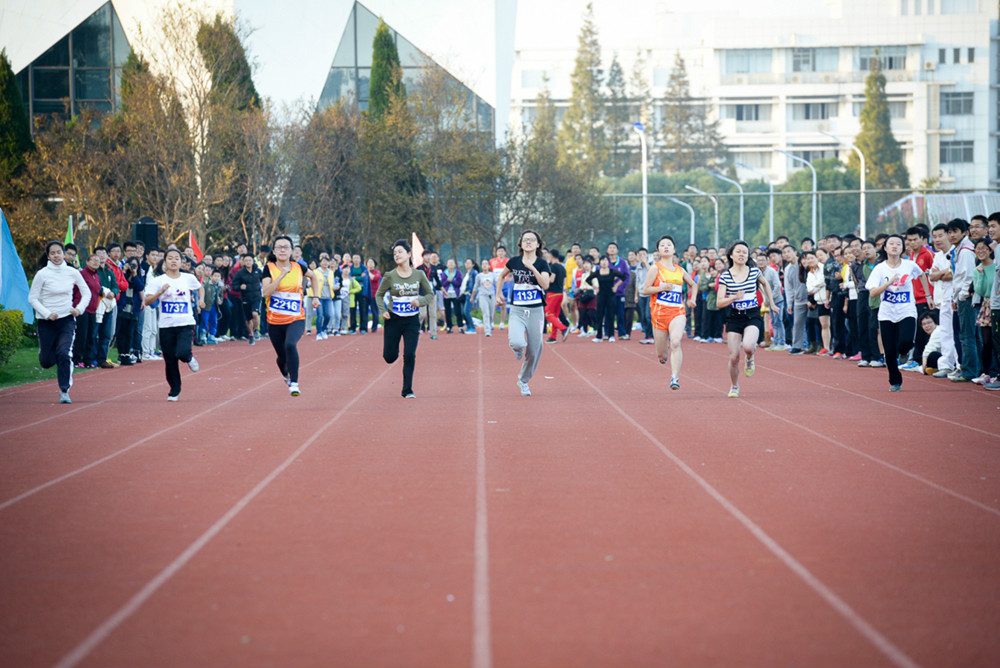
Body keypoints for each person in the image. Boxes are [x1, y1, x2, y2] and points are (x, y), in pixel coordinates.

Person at [865, 234, 934, 392]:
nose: (895, 246)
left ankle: (904, 351)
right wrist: (888, 283)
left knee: (906, 341)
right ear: (885, 248)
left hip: (906, 310)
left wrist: (928, 295)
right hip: (887, 313)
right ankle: (895, 381)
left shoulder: (909, 265)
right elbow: (873, 292)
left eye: (898, 244)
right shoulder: (880, 269)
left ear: (903, 248)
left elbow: (922, 275)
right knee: (889, 352)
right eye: (891, 244)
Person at [28, 241, 92, 404]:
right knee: (46, 361)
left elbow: (86, 293)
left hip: (66, 320)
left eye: (59, 252)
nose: (56, 256)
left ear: (64, 254)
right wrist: (47, 314)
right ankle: (47, 354)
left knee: (64, 353)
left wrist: (79, 309)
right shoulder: (42, 274)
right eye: (53, 253)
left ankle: (64, 390)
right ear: (48, 256)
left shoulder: (72, 272)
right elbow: (32, 298)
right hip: (46, 321)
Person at [261, 236, 321, 396]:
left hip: (296, 318)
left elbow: (314, 276)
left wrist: (316, 296)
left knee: (290, 345)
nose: (282, 250)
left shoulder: (299, 267)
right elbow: (266, 293)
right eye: (279, 247)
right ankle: (285, 373)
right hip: (274, 321)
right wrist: (280, 276)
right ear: (274, 251)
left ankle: (294, 383)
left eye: (286, 247)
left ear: (291, 251)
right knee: (281, 357)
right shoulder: (268, 269)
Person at [375, 239, 435, 398]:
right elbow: (379, 295)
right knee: (390, 357)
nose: (397, 255)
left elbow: (430, 294)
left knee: (409, 354)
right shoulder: (390, 276)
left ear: (409, 254)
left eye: (400, 252)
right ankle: (391, 354)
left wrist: (419, 302)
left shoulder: (419, 274)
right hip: (393, 320)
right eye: (394, 253)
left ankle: (407, 389)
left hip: (411, 321)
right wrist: (383, 311)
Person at [716, 241, 776, 398]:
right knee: (734, 356)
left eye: (745, 252)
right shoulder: (725, 276)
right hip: (734, 317)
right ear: (731, 255)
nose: (742, 254)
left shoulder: (754, 272)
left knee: (748, 347)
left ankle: (750, 358)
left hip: (752, 314)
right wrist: (734, 297)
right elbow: (719, 302)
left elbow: (766, 285)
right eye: (738, 252)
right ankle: (734, 386)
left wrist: (772, 303)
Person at [143, 249, 205, 401]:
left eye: (176, 258)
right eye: (170, 258)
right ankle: (174, 390)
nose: (173, 261)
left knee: (182, 353)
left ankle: (189, 358)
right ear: (165, 262)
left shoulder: (188, 277)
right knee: (170, 359)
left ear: (181, 262)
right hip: (166, 325)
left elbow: (200, 287)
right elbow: (147, 300)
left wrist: (200, 300)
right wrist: (160, 293)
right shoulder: (157, 281)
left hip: (185, 323)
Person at [496, 230, 550, 396]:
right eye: (525, 239)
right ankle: (518, 349)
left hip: (536, 311)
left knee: (534, 350)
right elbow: (501, 276)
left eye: (532, 240)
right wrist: (498, 293)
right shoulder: (514, 262)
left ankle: (523, 380)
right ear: (520, 244)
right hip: (518, 309)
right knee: (518, 342)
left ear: (538, 244)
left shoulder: (542, 264)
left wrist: (533, 269)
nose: (528, 242)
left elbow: (545, 284)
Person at [640, 235, 698, 390]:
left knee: (676, 342)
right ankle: (663, 356)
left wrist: (692, 299)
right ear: (658, 250)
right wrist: (661, 288)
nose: (666, 247)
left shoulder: (680, 270)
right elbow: (645, 290)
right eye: (662, 245)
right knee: (661, 355)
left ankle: (675, 378)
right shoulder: (655, 268)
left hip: (677, 312)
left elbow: (694, 285)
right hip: (659, 315)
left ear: (674, 249)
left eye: (669, 245)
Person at [582, 255, 627, 342]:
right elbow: (588, 279)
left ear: (608, 262)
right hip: (601, 295)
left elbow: (623, 277)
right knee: (599, 315)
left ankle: (611, 335)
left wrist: (616, 286)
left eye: (606, 260)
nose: (604, 262)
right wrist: (595, 287)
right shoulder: (597, 272)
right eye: (602, 260)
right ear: (600, 262)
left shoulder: (612, 271)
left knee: (611, 315)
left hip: (611, 296)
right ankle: (599, 336)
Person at [233, 253, 263, 345]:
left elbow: (264, 280)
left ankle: (255, 330)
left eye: (250, 260)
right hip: (246, 298)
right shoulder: (240, 273)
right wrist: (240, 287)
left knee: (255, 314)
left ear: (253, 261)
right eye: (246, 261)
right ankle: (250, 335)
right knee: (248, 319)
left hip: (256, 296)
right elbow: (234, 286)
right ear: (243, 262)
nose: (248, 262)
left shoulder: (258, 271)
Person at [473, 259, 496, 336]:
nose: (485, 265)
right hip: (483, 296)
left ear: (489, 266)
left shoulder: (492, 275)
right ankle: (487, 331)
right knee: (486, 313)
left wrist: (500, 294)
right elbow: (475, 287)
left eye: (486, 264)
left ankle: (490, 325)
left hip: (492, 296)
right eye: (483, 264)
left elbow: (497, 284)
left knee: (491, 314)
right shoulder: (479, 276)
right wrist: (472, 297)